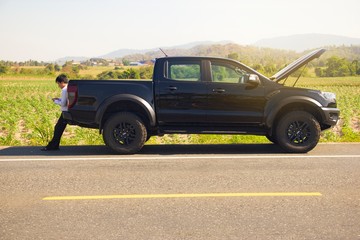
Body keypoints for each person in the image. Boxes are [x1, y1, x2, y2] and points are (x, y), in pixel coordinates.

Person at [41, 74, 68, 151]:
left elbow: (63, 103)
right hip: (66, 111)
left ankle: (53, 146)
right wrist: (58, 99)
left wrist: (56, 101)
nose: (58, 85)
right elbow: (65, 100)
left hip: (65, 112)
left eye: (58, 83)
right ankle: (54, 145)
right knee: (59, 128)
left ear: (62, 82)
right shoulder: (68, 88)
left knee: (58, 128)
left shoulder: (64, 90)